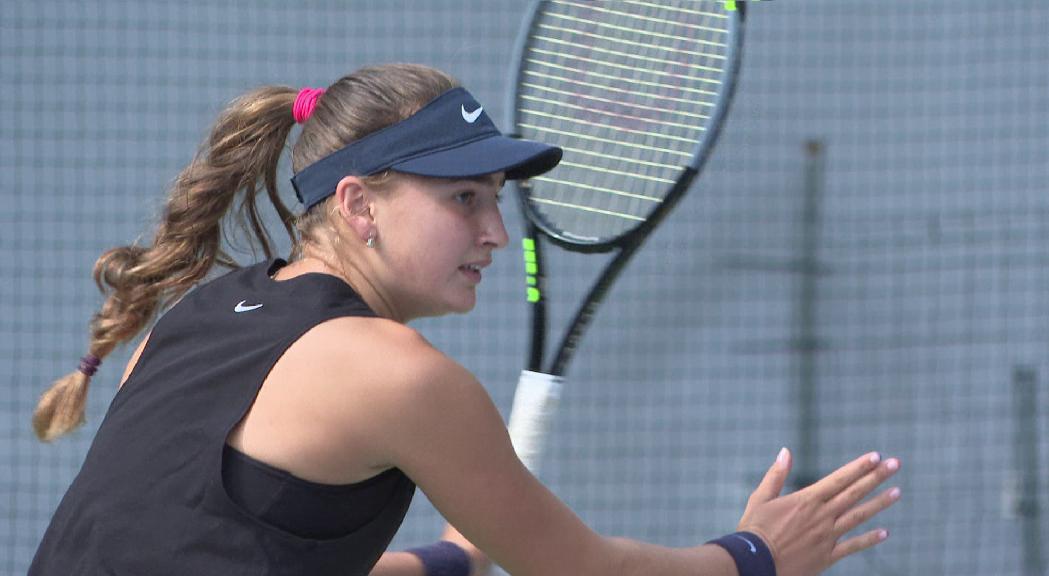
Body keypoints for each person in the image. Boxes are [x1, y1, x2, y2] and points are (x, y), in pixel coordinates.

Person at [30, 63, 900, 576]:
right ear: (358, 205)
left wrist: (446, 561)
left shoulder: (197, 314)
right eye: (462, 198)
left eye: (495, 199)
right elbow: (576, 569)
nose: (493, 231)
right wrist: (753, 556)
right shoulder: (394, 371)